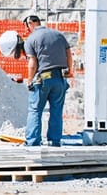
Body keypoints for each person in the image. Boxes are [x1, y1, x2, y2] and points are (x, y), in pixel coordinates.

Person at [22, 15, 73, 146]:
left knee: (35, 110)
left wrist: (29, 80)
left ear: (31, 23)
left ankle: (32, 142)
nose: (27, 30)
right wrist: (70, 70)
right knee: (56, 110)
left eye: (27, 26)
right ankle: (54, 141)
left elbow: (32, 63)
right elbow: (69, 54)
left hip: (43, 79)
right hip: (60, 78)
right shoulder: (59, 35)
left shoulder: (31, 39)